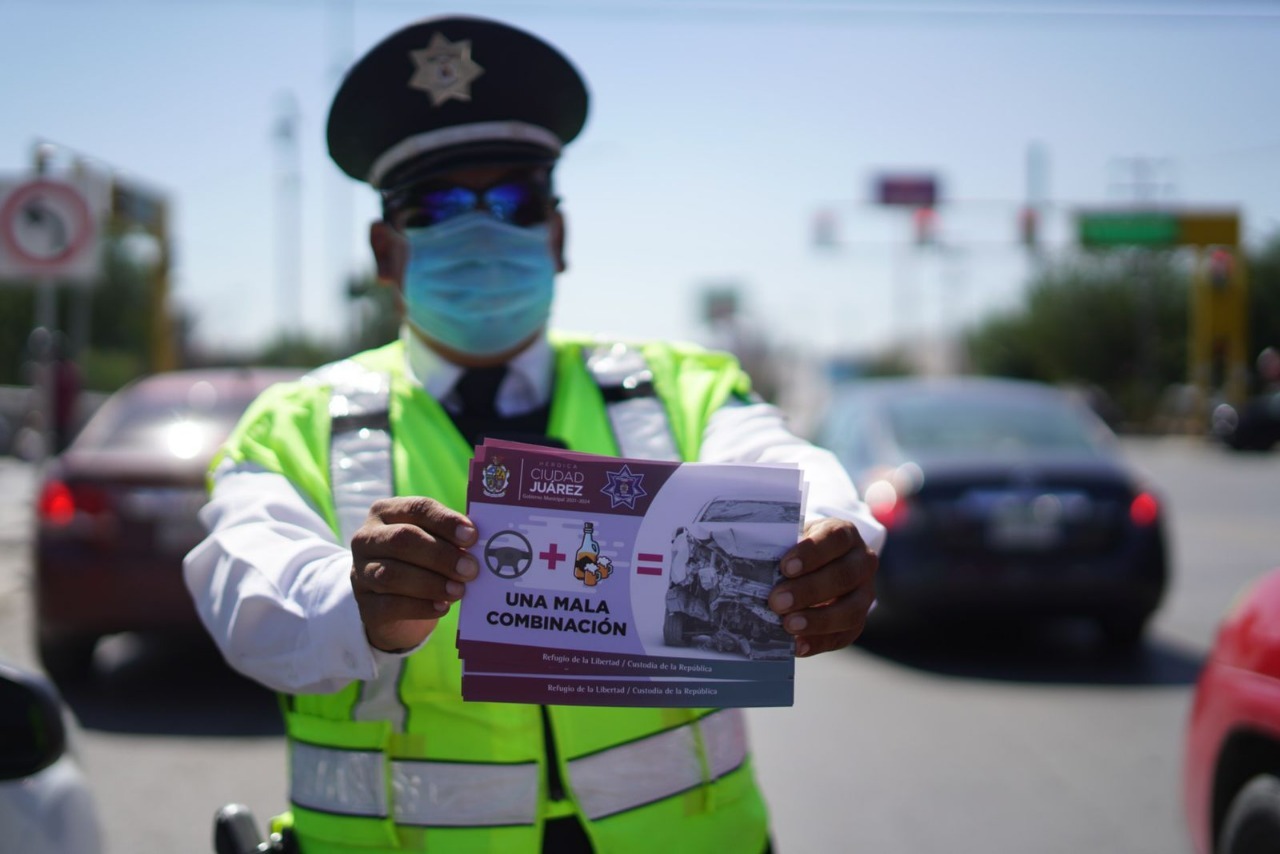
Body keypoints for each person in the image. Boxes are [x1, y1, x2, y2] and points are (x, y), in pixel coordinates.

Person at [184, 14, 884, 854]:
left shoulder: (682, 384)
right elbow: (244, 591)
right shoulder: (292, 424)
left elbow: (785, 466)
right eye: (438, 206)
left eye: (516, 201)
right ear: (384, 251)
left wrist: (829, 541)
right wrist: (352, 602)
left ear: (557, 234)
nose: (483, 232)